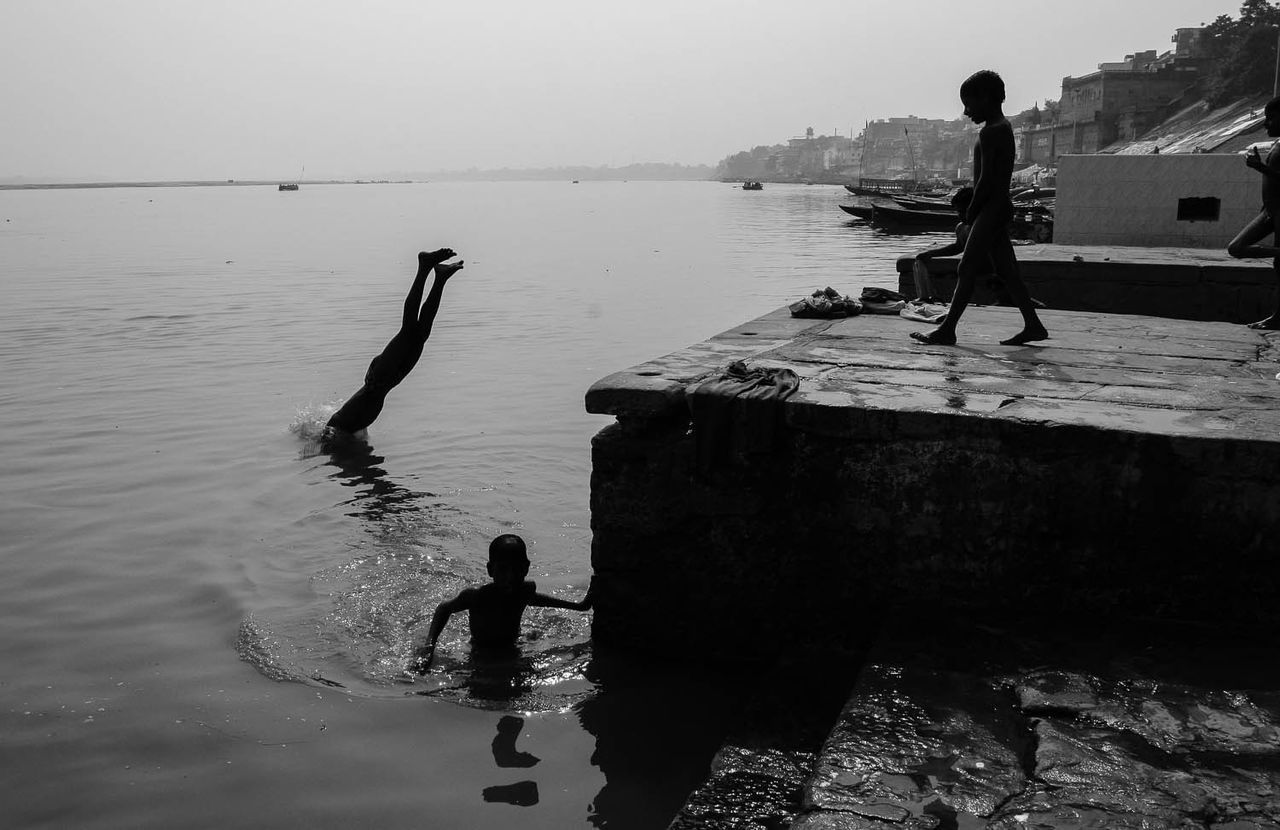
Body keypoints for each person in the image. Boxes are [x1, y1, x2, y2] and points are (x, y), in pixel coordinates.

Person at [910, 70, 1048, 347]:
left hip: (992, 207)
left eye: (968, 104)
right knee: (1008, 272)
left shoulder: (990, 132)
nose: (965, 112)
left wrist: (972, 210)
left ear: (985, 98)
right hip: (999, 206)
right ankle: (1034, 325)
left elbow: (985, 180)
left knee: (967, 266)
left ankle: (948, 329)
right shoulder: (1003, 127)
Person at [326, 248, 464, 434]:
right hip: (387, 383)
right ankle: (440, 278)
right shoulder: (348, 431)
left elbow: (333, 426)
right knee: (420, 335)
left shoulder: (335, 428)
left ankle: (424, 267)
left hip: (378, 380)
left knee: (408, 331)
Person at [411, 534, 593, 673]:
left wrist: (579, 606)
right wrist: (429, 646)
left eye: (517, 570)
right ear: (490, 570)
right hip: (480, 649)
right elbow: (444, 608)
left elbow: (538, 600)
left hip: (511, 646)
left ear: (527, 567)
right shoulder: (477, 596)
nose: (510, 577)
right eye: (503, 570)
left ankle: (529, 637)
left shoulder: (523, 590)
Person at [1227, 96, 1280, 330]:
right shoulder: (1278, 144)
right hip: (1270, 211)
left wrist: (1260, 167)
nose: (1266, 124)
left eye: (1271, 119)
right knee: (1236, 247)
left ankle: (1277, 318)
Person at [912, 187, 974, 301]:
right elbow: (957, 247)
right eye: (958, 212)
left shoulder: (981, 227)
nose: (960, 215)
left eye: (963, 211)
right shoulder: (961, 227)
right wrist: (930, 253)